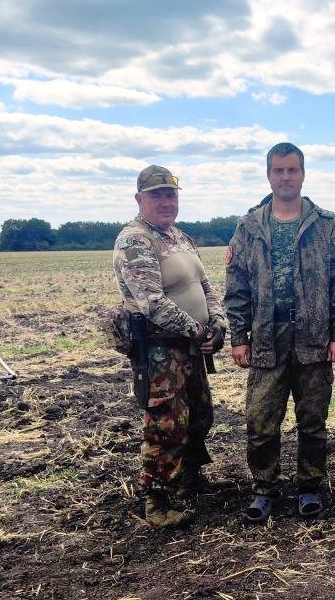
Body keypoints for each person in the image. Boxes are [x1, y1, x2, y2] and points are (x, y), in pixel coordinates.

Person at [224, 142, 335, 522]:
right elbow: (237, 286)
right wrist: (239, 337)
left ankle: (309, 486)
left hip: (313, 336)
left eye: (292, 170)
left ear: (303, 174)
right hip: (267, 338)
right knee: (261, 422)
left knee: (313, 421)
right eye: (278, 170)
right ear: (268, 175)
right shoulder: (249, 226)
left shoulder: (325, 224)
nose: (285, 177)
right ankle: (264, 488)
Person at [113, 164, 227, 528]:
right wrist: (198, 330)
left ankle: (188, 479)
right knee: (166, 424)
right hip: (160, 352)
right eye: (157, 195)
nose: (166, 202)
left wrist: (218, 324)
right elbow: (152, 302)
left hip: (191, 348)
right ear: (139, 199)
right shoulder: (135, 240)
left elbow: (205, 286)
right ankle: (157, 500)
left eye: (171, 195)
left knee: (199, 415)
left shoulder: (179, 237)